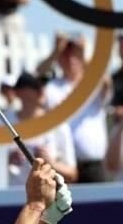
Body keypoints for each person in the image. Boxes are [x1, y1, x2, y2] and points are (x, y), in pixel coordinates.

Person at [39, 33, 110, 183]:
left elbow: (106, 83)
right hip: (61, 164)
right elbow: (35, 78)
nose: (71, 59)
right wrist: (56, 51)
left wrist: (84, 54)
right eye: (65, 55)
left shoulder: (93, 84)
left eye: (74, 55)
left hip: (92, 164)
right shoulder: (52, 87)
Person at [5, 72, 76, 186]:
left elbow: (72, 174)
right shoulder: (1, 124)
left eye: (42, 87)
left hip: (49, 199)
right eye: (35, 87)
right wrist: (6, 161)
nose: (42, 91)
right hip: (11, 198)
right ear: (18, 92)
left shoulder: (59, 126)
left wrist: (51, 164)